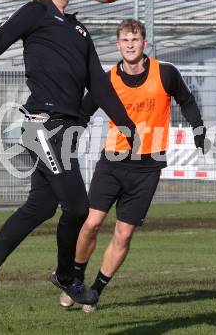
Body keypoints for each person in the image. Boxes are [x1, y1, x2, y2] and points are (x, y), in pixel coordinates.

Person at [0, 0, 136, 318]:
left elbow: (98, 84)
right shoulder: (36, 12)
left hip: (63, 130)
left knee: (40, 206)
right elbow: (1, 37)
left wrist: (125, 123)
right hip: (42, 125)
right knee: (78, 208)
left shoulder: (78, 29)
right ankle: (67, 275)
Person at [58, 19, 207, 313]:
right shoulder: (107, 79)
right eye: (125, 40)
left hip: (148, 168)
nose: (130, 44)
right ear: (117, 45)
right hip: (112, 161)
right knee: (91, 223)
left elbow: (187, 101)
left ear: (144, 44)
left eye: (135, 39)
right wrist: (68, 137)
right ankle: (74, 280)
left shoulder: (165, 73)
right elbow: (83, 113)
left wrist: (198, 129)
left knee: (123, 234)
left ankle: (95, 291)